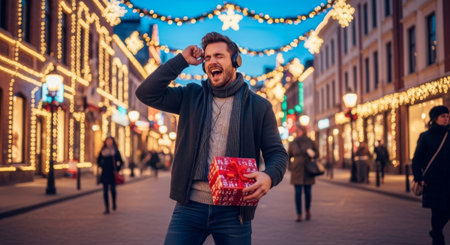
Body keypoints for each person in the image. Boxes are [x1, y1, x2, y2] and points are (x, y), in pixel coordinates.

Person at [136, 32, 287, 245]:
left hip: (234, 212)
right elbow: (146, 93)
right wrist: (181, 61)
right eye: (207, 58)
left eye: (219, 56)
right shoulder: (190, 96)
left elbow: (277, 154)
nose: (212, 61)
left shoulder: (259, 107)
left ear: (236, 61)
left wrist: (269, 176)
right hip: (189, 207)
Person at [412, 105, 450, 245]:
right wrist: (419, 177)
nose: (446, 119)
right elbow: (417, 160)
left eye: (447, 116)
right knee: (437, 212)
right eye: (443, 116)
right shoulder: (425, 137)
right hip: (433, 182)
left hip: (449, 181)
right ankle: (437, 239)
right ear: (435, 119)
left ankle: (436, 231)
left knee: (446, 212)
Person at [287, 124, 319, 222]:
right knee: (298, 193)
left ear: (303, 130)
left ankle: (308, 210)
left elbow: (317, 154)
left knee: (308, 192)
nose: (296, 132)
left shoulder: (310, 141)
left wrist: (312, 154)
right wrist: (290, 166)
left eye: (298, 130)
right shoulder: (293, 143)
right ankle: (299, 214)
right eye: (295, 130)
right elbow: (288, 156)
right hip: (297, 170)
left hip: (308, 169)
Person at [97, 136, 124, 214]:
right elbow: (98, 160)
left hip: (113, 173)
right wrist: (101, 165)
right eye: (107, 141)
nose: (109, 142)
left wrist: (117, 169)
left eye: (110, 140)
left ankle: (114, 203)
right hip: (105, 173)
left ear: (113, 141)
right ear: (105, 142)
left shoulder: (115, 151)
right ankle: (107, 208)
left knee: (113, 190)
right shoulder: (102, 151)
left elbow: (121, 161)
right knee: (105, 191)